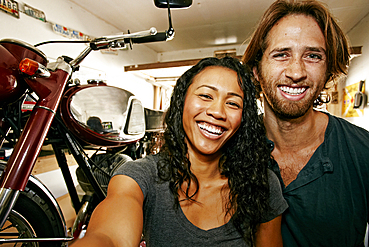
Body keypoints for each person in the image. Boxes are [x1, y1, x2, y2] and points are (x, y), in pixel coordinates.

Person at [72, 57, 288, 247]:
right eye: (205, 96)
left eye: (232, 103)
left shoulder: (262, 183)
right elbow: (109, 237)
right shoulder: (140, 177)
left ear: (243, 119)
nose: (217, 111)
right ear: (181, 101)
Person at [242, 0, 369, 246]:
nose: (296, 72)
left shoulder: (362, 152)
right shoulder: (228, 149)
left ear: (328, 69)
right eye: (281, 54)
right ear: (256, 69)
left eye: (312, 56)